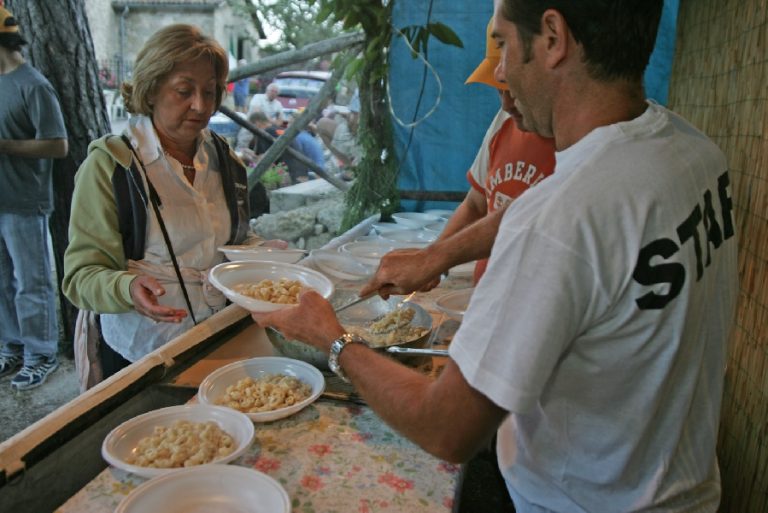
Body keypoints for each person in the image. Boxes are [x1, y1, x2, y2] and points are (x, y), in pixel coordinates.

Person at [251, 1, 739, 511]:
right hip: (683, 490)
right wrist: (439, 255)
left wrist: (335, 340)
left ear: (553, 37)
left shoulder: (560, 219)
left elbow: (446, 428)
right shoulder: (691, 151)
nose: (500, 71)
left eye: (503, 43)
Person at [63, 24, 267, 383]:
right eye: (184, 91)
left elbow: (232, 245)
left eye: (210, 91)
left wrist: (262, 253)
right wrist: (126, 288)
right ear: (152, 88)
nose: (201, 105)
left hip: (217, 340)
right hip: (141, 353)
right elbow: (81, 277)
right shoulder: (112, 166)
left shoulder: (224, 161)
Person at [0, 6, 68, 391]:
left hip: (25, 201)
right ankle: (10, 347)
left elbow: (58, 145)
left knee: (31, 282)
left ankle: (40, 354)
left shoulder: (34, 85)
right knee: (1, 282)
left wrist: (5, 146)